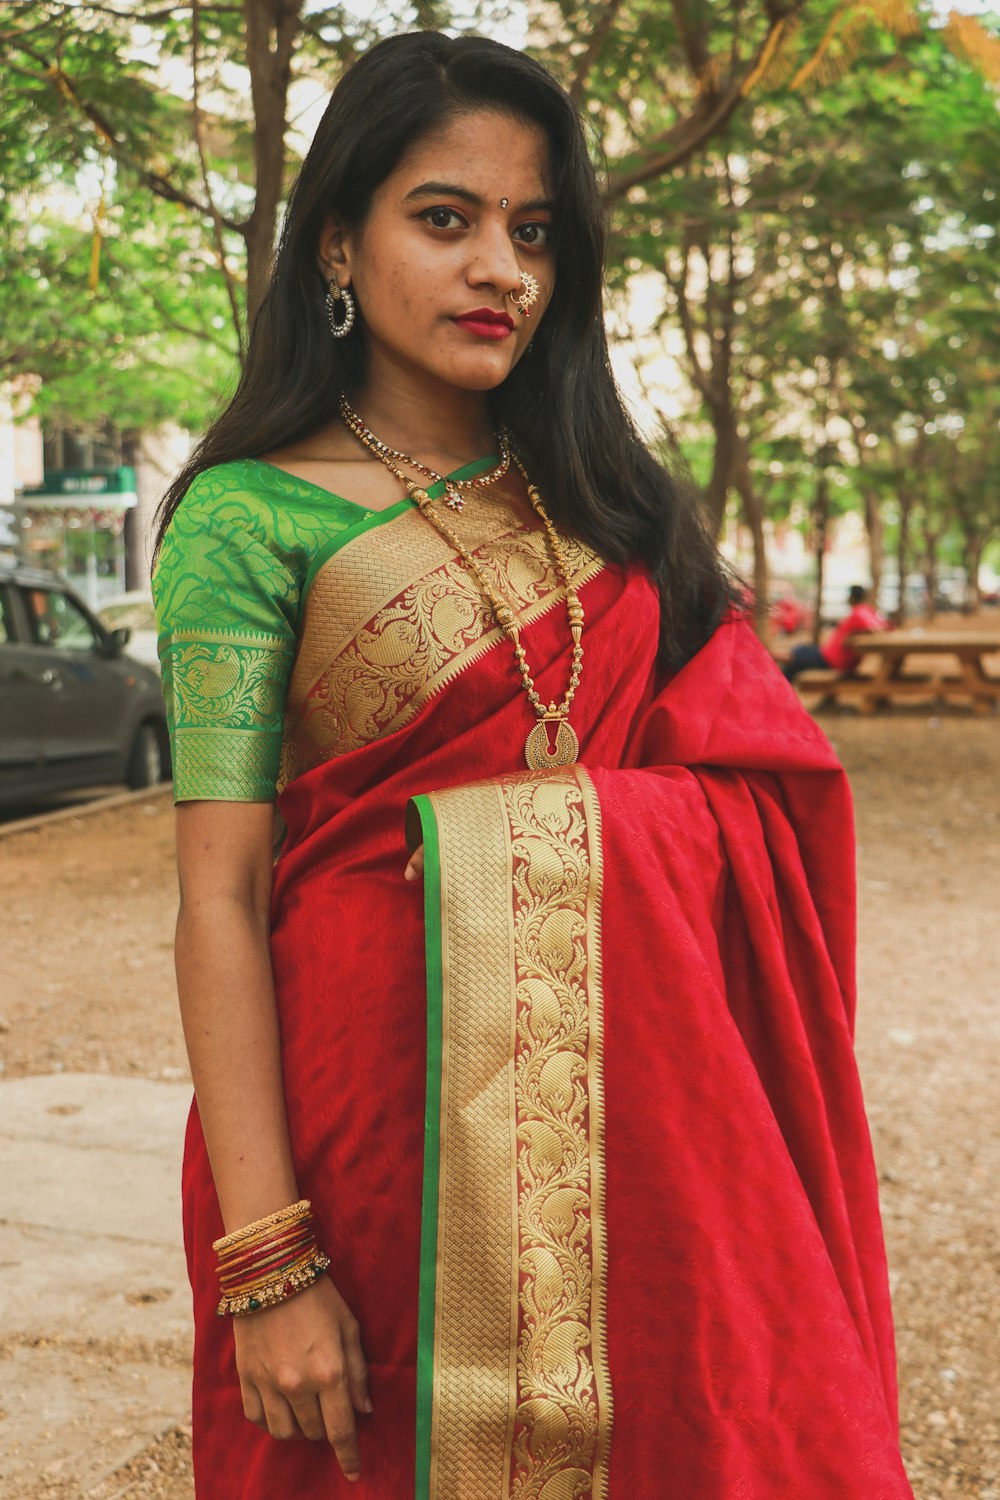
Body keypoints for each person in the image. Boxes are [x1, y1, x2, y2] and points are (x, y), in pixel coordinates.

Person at [151, 32, 915, 1499]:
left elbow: (769, 792)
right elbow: (222, 896)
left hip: (648, 1126)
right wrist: (265, 1255)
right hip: (374, 1140)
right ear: (336, 244)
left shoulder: (609, 505)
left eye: (533, 231)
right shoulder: (246, 523)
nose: (499, 265)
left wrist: (587, 836)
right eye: (446, 219)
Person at [783, 584, 889, 680]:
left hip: (832, 661)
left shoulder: (859, 613)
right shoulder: (866, 611)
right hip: (830, 656)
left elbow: (876, 630)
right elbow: (885, 625)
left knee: (796, 657)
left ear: (851, 597)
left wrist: (853, 636)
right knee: (800, 651)